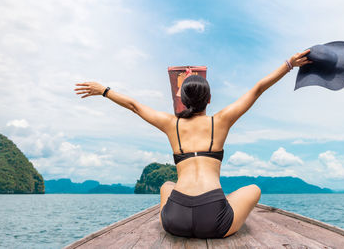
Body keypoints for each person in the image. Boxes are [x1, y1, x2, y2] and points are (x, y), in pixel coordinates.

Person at [74, 49, 312, 239]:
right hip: (214, 221)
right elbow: (258, 89)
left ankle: (195, 208)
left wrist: (104, 90)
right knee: (253, 189)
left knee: (167, 184)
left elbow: (135, 106)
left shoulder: (170, 123)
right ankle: (219, 203)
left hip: (174, 221)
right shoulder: (221, 121)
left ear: (182, 101)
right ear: (209, 100)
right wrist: (289, 64)